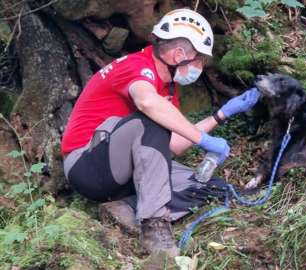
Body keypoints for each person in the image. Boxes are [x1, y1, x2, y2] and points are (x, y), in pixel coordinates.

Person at [61, 9, 260, 257]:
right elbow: (147, 104)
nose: (200, 66)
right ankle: (154, 228)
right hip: (87, 165)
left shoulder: (167, 88)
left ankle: (124, 209)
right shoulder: (136, 66)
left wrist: (221, 115)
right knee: (151, 121)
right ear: (179, 55)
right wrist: (205, 140)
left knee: (208, 185)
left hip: (122, 176)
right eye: (199, 59)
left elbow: (173, 144)